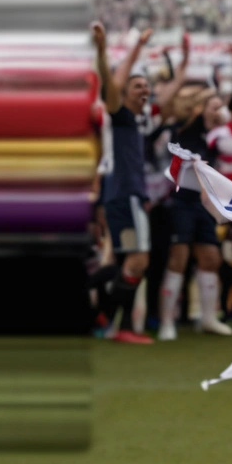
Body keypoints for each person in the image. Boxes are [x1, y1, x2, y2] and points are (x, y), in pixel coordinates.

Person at [156, 44, 232, 341]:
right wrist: (181, 65)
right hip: (181, 202)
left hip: (205, 204)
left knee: (210, 258)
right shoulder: (187, 128)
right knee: (178, 258)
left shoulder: (217, 136)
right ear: (199, 107)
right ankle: (167, 322)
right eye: (211, 103)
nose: (217, 107)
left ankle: (208, 318)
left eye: (218, 104)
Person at [94, 22, 156, 344]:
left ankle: (106, 318)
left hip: (124, 196)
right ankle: (118, 325)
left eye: (147, 87)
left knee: (125, 259)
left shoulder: (134, 121)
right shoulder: (119, 114)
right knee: (138, 259)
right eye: (138, 86)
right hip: (126, 195)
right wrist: (106, 51)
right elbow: (112, 83)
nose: (144, 91)